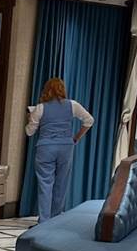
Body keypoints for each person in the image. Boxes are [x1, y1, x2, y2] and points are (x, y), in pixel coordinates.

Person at [25, 77, 93, 222]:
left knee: (45, 184)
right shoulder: (73, 105)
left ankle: (44, 221)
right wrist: (76, 138)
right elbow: (89, 120)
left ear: (46, 90)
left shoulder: (40, 108)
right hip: (66, 147)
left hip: (45, 147)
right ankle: (55, 220)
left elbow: (29, 132)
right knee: (61, 183)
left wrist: (29, 118)